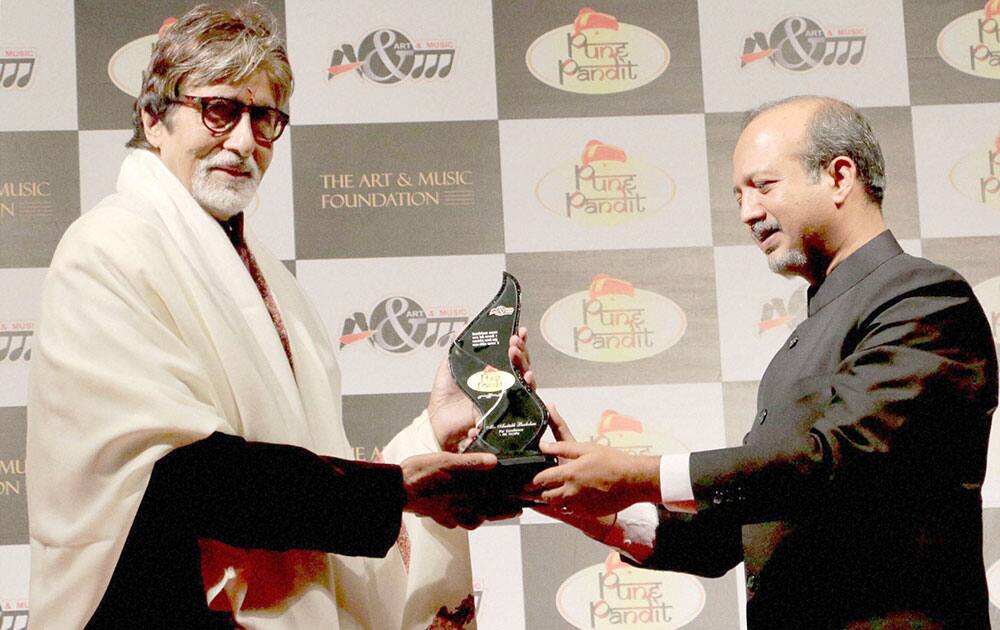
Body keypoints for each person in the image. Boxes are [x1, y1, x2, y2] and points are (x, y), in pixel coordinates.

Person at [25, 4, 530, 628]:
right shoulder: (107, 247)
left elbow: (301, 456)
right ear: (154, 119)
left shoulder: (265, 274)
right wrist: (399, 490)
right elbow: (185, 477)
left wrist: (432, 431)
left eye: (262, 118)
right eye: (219, 110)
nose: (242, 142)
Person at [532, 96, 998, 629]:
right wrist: (602, 509)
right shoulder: (812, 332)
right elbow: (736, 531)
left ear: (839, 176)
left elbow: (838, 462)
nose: (749, 213)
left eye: (764, 186)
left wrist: (640, 474)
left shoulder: (924, 297)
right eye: (738, 197)